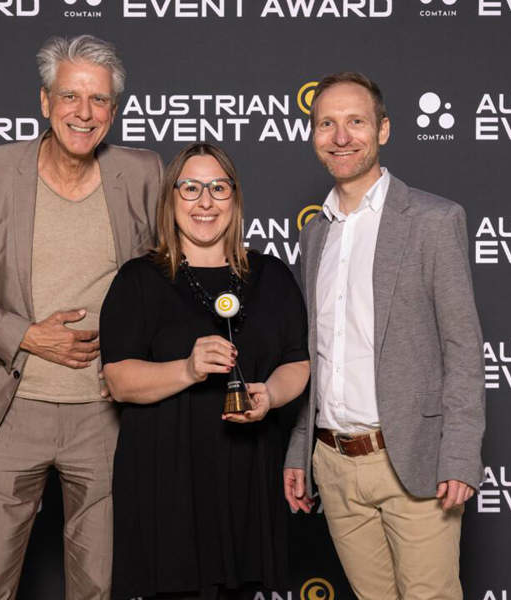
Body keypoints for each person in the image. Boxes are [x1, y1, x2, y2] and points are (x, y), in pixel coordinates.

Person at [0, 35, 162, 600]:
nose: (84, 112)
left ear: (114, 110)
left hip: (106, 415)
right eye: (69, 96)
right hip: (12, 409)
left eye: (99, 100)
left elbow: (167, 282)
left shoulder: (143, 172)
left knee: (98, 587)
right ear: (44, 102)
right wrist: (27, 336)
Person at [282, 72, 486, 600]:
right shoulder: (314, 233)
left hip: (412, 460)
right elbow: (315, 355)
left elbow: (462, 348)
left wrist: (459, 456)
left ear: (384, 130)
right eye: (326, 123)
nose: (340, 136)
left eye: (356, 121)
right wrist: (299, 451)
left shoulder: (433, 220)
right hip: (334, 465)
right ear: (313, 134)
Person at [100, 142, 310, 600]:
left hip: (246, 477)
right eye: (191, 188)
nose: (205, 201)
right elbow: (118, 379)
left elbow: (297, 361)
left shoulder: (271, 276)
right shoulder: (138, 279)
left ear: (234, 197)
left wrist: (271, 395)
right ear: (170, 198)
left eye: (218, 187)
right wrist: (187, 369)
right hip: (167, 482)